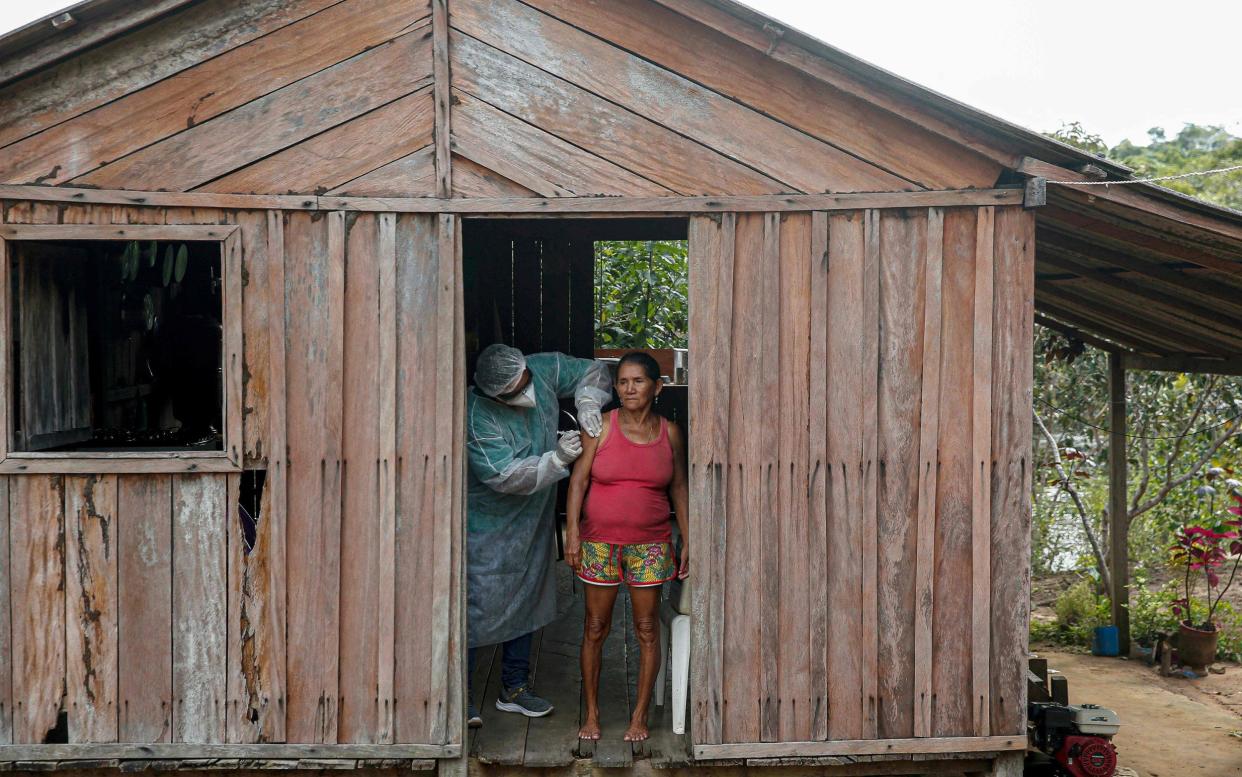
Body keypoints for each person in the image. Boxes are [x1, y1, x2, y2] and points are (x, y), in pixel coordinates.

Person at [465, 343, 611, 728]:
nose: (527, 391)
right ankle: (460, 696)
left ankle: (513, 688)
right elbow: (504, 476)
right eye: (515, 391)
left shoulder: (540, 369)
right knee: (473, 608)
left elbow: (591, 371)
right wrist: (557, 459)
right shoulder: (477, 415)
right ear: (495, 393)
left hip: (533, 520)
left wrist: (589, 403)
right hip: (487, 526)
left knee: (527, 600)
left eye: (525, 381)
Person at [565, 352, 690, 742]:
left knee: (647, 629)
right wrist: (572, 534)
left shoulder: (670, 432)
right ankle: (592, 713)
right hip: (600, 543)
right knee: (595, 627)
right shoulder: (600, 427)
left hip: (651, 544)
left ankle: (639, 718)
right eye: (622, 381)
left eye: (637, 381)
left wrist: (689, 539)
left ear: (657, 387)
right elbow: (578, 483)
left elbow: (679, 487)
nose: (628, 388)